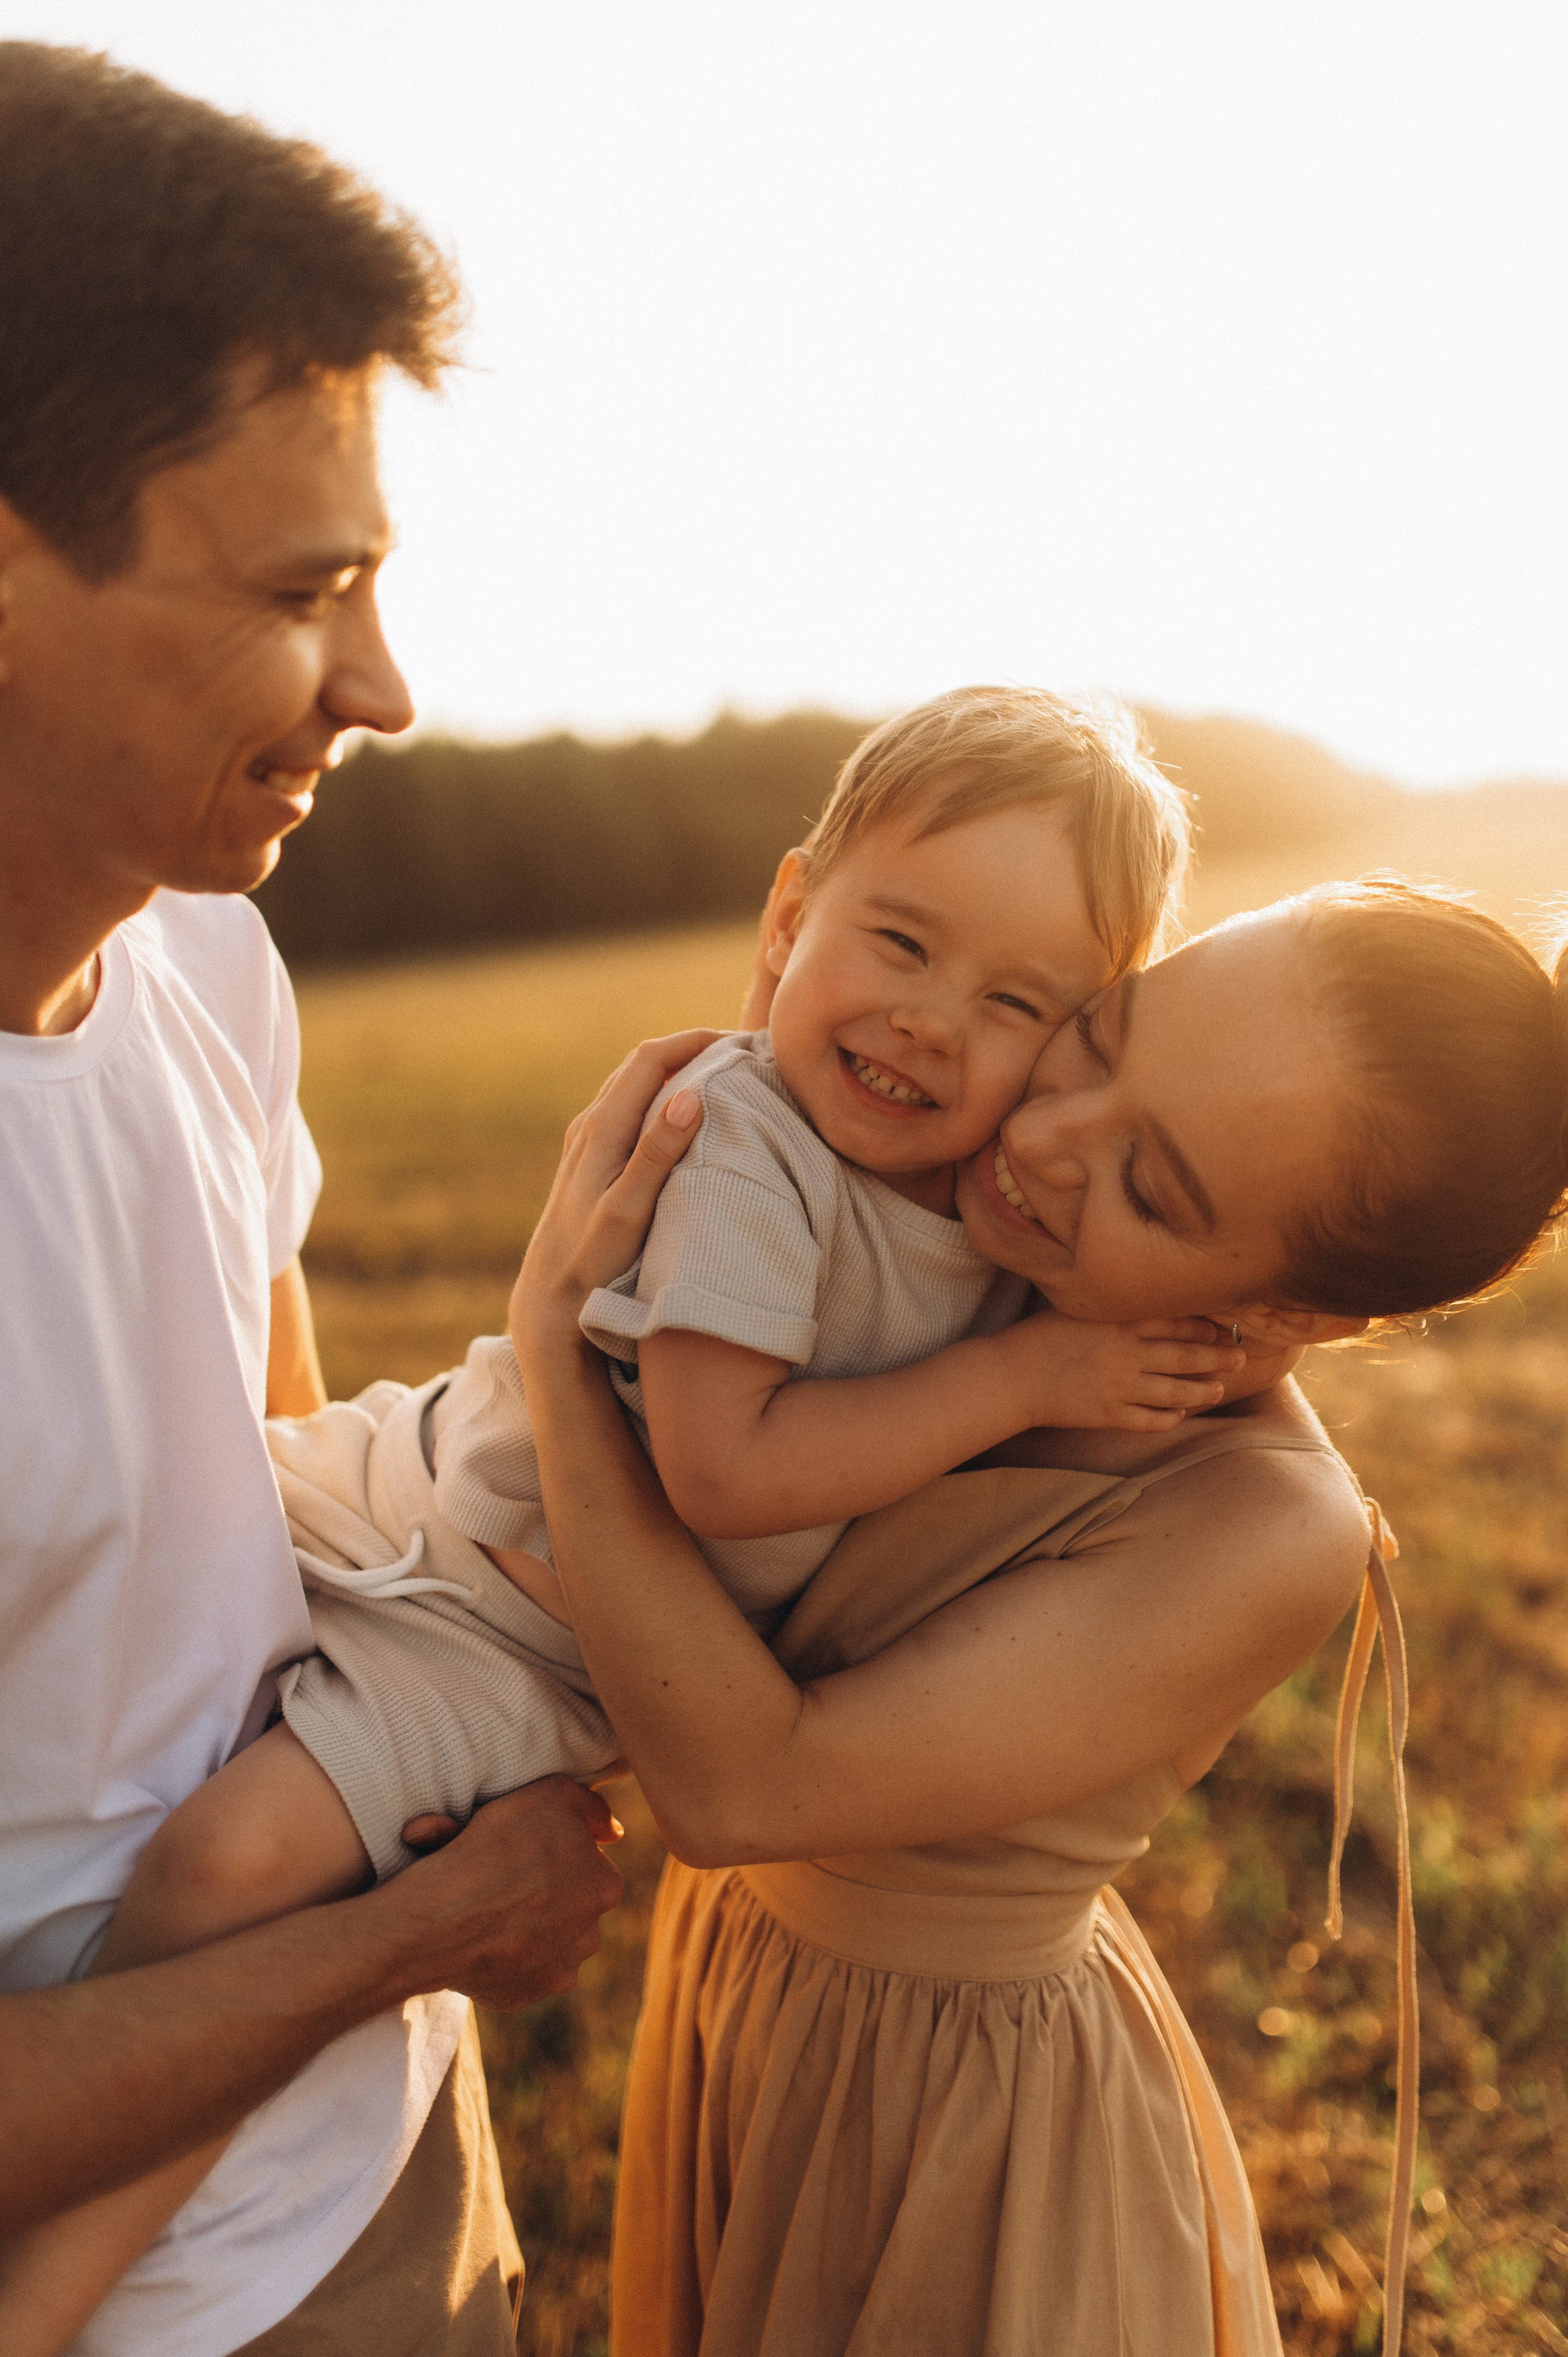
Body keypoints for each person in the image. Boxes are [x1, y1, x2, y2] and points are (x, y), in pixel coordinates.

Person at [3, 685, 1258, 2351]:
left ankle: (51, 2282)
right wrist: (1033, 1381)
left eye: (1021, 1001)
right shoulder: (745, 1140)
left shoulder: (982, 1209)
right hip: (442, 1512)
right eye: (897, 942)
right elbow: (725, 1467)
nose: (936, 1023)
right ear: (789, 916)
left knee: (232, 1860)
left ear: (1082, 1043)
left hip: (508, 1635)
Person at [508, 879, 1568, 2357]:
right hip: (754, 2005)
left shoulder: (1264, 1525)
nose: (1043, 1138)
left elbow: (741, 1783)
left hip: (956, 2135)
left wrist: (552, 1366)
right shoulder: (981, 1257)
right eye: (1099, 1036)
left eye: (1156, 1188)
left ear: (1301, 1316)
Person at [0, 42, 619, 2357]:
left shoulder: (203, 953)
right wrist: (414, 1931)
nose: (386, 684)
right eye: (305, 587)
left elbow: (267, 1550)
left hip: (379, 2169)